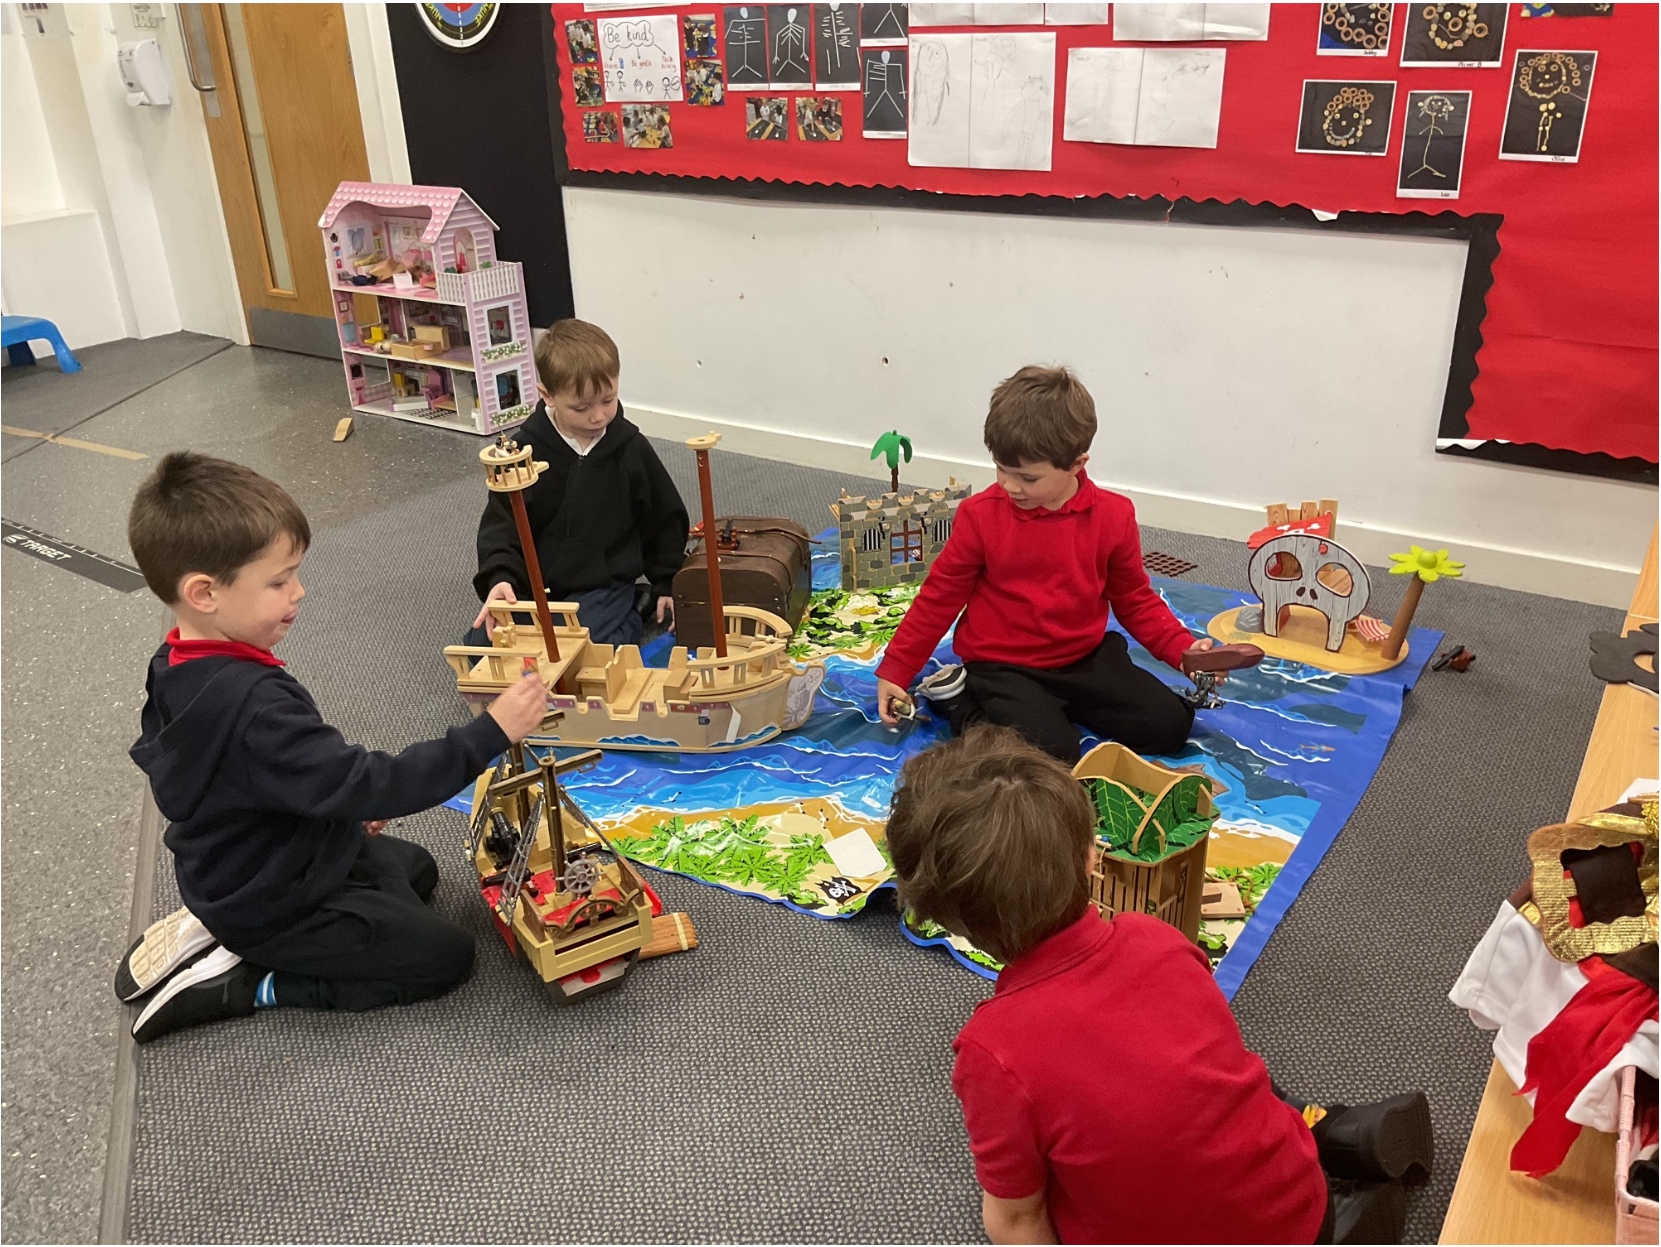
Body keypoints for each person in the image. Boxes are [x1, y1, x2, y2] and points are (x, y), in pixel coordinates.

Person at [885, 726, 1434, 1245]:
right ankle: (1332, 1131)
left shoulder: (991, 1052)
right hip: (1302, 1210)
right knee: (1213, 1079)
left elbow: (1015, 1219)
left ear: (943, 918)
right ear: (1093, 858)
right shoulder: (1156, 938)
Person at [120, 452, 551, 1044]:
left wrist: (336, 809)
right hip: (274, 898)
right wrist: (492, 731)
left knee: (419, 872)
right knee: (446, 956)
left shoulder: (176, 657)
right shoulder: (254, 708)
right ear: (204, 593)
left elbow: (258, 781)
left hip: (266, 855)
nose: (299, 591)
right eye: (278, 581)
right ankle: (251, 979)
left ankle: (221, 923)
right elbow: (371, 782)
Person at [874, 365, 1212, 764]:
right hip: (1003, 666)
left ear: (1076, 464)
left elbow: (1135, 599)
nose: (1008, 485)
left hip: (1084, 658)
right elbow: (939, 598)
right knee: (1051, 756)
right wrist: (896, 669)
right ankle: (961, 702)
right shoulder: (980, 515)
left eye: (1027, 478)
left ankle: (1051, 711)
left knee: (1170, 725)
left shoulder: (1114, 516)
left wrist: (1183, 651)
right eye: (1001, 469)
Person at [471, 318, 689, 648]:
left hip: (601, 584)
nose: (598, 416)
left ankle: (634, 606)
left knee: (585, 649)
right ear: (547, 395)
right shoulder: (522, 452)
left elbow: (662, 516)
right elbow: (501, 525)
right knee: (484, 646)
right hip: (535, 587)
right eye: (581, 407)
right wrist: (500, 579)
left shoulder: (629, 447)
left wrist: (667, 580)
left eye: (608, 400)